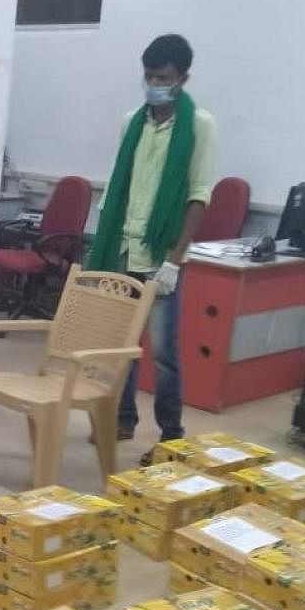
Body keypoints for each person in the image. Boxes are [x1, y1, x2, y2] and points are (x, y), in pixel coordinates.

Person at [88, 33, 216, 465]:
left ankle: (171, 436)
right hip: (122, 249)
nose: (153, 83)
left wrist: (174, 262)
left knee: (163, 353)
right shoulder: (132, 122)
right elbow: (115, 187)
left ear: (183, 78)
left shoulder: (199, 125)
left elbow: (198, 195)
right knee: (119, 342)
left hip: (162, 255)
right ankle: (122, 418)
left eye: (163, 77)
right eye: (148, 75)